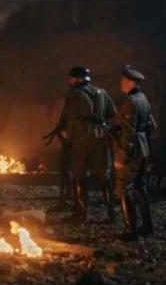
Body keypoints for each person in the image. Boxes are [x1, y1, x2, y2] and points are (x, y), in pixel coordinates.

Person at [47, 66, 116, 222]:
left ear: (77, 79)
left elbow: (69, 119)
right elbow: (112, 114)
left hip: (82, 137)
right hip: (101, 136)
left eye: (71, 78)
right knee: (104, 175)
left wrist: (66, 134)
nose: (69, 81)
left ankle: (81, 213)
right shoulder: (102, 93)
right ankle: (111, 213)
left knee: (79, 173)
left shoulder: (74, 95)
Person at [111, 65, 155, 240]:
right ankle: (147, 226)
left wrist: (121, 157)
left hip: (133, 149)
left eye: (123, 80)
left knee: (124, 188)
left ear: (130, 82)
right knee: (139, 186)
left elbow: (129, 133)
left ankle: (131, 230)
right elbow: (152, 126)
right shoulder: (143, 98)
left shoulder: (131, 102)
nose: (121, 84)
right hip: (143, 147)